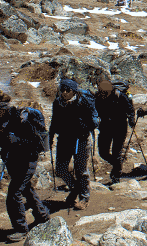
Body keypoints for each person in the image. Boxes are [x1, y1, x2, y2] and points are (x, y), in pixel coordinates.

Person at [0, 91, 50, 243]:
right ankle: (43, 215)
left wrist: (17, 141)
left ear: (4, 108)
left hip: (28, 160)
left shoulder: (21, 118)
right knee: (25, 189)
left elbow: (34, 142)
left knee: (13, 194)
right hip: (11, 161)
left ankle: (21, 229)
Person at [49, 78, 95, 211]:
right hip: (64, 139)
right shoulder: (57, 103)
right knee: (60, 169)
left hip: (81, 140)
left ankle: (84, 197)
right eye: (62, 89)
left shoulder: (83, 102)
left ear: (73, 91)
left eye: (67, 90)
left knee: (81, 170)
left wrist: (82, 126)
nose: (64, 92)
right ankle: (75, 189)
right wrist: (50, 137)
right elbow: (54, 121)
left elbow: (94, 121)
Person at [95, 80, 135, 184]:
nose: (103, 95)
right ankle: (117, 165)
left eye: (104, 93)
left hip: (119, 127)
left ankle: (116, 175)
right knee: (103, 152)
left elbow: (130, 109)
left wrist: (131, 119)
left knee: (116, 152)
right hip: (105, 127)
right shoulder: (98, 96)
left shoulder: (119, 95)